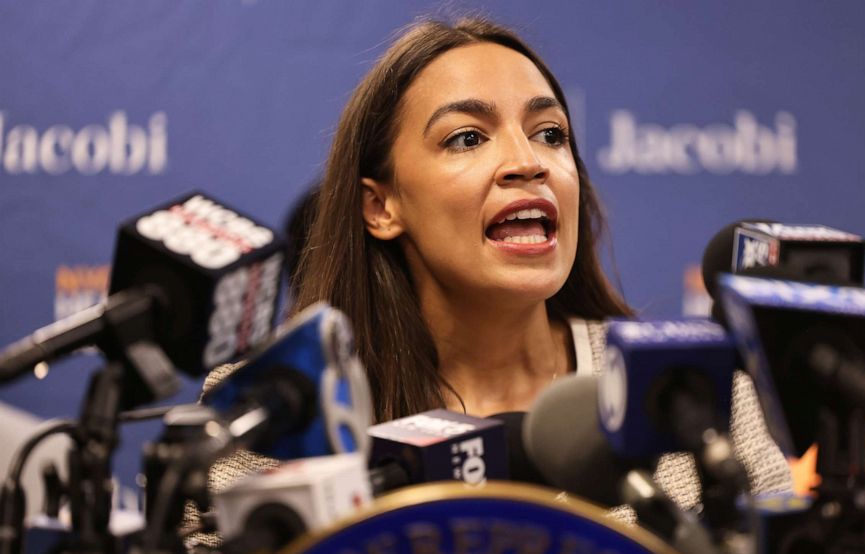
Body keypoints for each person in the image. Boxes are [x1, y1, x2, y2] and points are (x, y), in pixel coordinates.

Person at [204, 16, 792, 513]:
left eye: (550, 133)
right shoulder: (269, 411)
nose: (527, 161)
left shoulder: (695, 401)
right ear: (381, 207)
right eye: (466, 138)